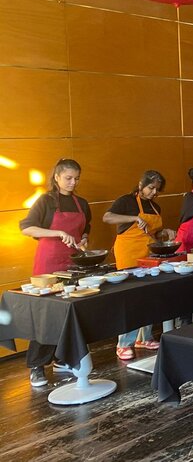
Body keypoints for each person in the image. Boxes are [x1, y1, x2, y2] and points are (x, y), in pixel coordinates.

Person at [20, 158, 92, 387]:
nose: (73, 182)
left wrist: (84, 239)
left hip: (73, 263)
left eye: (76, 178)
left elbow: (86, 227)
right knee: (46, 316)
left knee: (71, 312)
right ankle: (37, 366)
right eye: (68, 178)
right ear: (57, 177)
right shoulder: (46, 201)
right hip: (48, 264)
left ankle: (63, 359)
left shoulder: (81, 202)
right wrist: (58, 232)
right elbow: (26, 227)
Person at [103, 170, 175, 360]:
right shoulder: (126, 201)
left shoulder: (155, 206)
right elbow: (107, 217)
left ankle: (144, 337)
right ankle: (123, 343)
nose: (153, 193)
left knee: (149, 296)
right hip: (128, 254)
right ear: (141, 184)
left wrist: (165, 232)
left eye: (157, 190)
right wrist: (133, 218)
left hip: (148, 255)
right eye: (151, 188)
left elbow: (153, 233)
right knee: (131, 300)